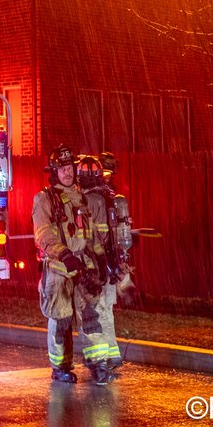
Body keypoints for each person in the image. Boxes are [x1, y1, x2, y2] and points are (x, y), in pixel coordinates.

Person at [32, 145, 114, 385]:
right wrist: (64, 254)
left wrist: (101, 258)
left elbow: (91, 235)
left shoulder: (82, 197)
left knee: (92, 316)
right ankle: (60, 367)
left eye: (70, 168)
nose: (67, 173)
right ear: (54, 171)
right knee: (61, 321)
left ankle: (98, 365)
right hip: (59, 272)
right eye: (63, 168)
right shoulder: (44, 199)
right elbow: (43, 234)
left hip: (85, 267)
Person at [79, 154, 126, 373]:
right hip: (110, 264)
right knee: (106, 310)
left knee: (92, 313)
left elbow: (89, 238)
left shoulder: (89, 200)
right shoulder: (108, 197)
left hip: (96, 266)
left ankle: (98, 360)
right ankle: (112, 355)